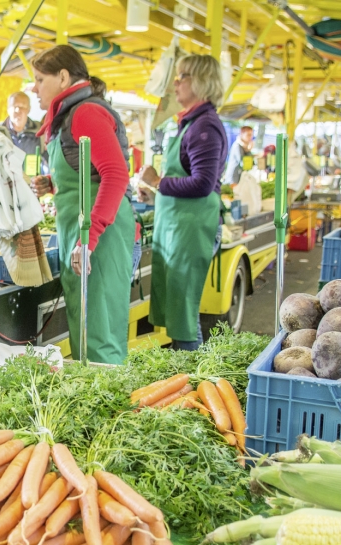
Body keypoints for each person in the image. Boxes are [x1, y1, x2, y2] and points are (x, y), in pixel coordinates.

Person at [29, 45, 135, 365]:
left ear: (63, 77)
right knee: (87, 327)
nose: (34, 88)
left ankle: (110, 411)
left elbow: (115, 175)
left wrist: (89, 238)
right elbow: (88, 171)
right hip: (83, 233)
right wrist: (55, 183)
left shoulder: (85, 112)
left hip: (98, 234)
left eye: (39, 79)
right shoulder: (69, 114)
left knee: (99, 332)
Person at [139, 54, 228, 351]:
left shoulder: (205, 127)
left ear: (202, 81)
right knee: (178, 315)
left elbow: (203, 183)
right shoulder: (192, 123)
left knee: (185, 316)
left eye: (183, 76)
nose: (175, 83)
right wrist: (156, 194)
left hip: (192, 230)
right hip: (181, 230)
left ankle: (194, 382)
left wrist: (157, 182)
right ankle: (188, 381)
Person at [0, 92, 42, 156]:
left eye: (22, 106)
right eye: (14, 106)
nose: (18, 110)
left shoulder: (39, 131)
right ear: (8, 109)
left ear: (29, 109)